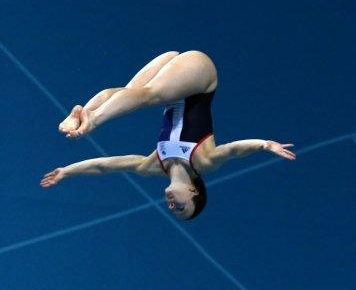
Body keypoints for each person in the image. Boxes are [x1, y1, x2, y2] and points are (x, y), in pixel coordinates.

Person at [41, 51, 295, 220]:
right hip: (200, 76)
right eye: (181, 207)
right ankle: (91, 120)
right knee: (149, 95)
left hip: (173, 80)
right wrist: (265, 144)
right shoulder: (203, 163)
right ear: (194, 193)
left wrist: (67, 171)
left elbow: (105, 166)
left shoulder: (152, 166)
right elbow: (234, 150)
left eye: (172, 210)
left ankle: (83, 112)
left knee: (129, 92)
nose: (172, 205)